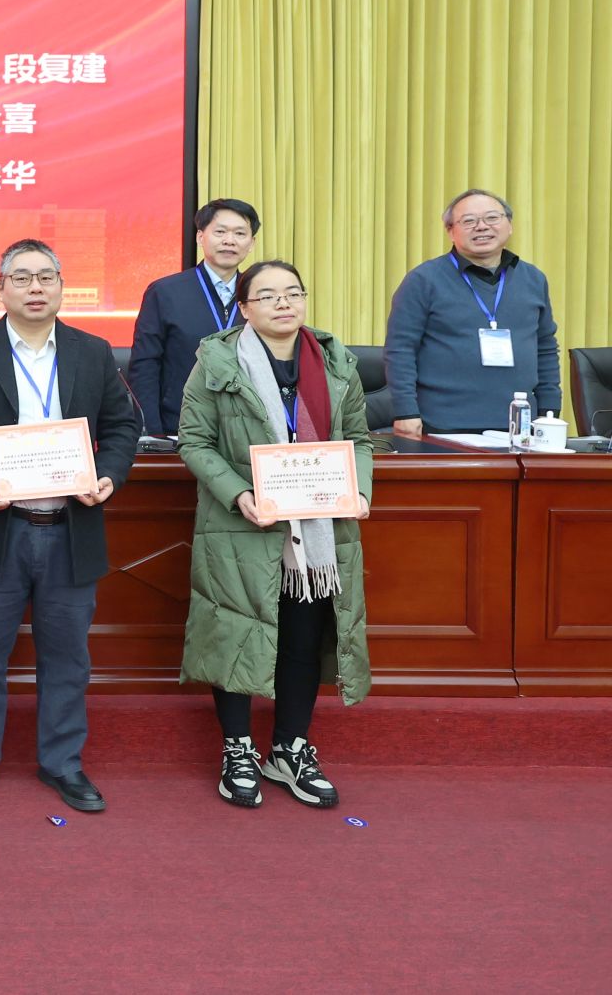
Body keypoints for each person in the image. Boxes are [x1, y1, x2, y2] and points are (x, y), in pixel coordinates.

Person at [0, 240, 137, 813]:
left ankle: (63, 763)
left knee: (68, 659)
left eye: (46, 276)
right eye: (22, 278)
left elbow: (122, 427)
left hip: (71, 526)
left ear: (62, 287)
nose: (36, 287)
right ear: (1, 289)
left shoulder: (93, 351)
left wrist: (110, 476)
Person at [177, 260, 378, 810]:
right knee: (237, 632)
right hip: (241, 525)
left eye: (293, 292)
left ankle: (289, 749)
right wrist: (239, 493)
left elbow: (359, 438)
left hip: (319, 530)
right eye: (267, 296)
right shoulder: (217, 362)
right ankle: (238, 749)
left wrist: (359, 489)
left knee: (302, 639)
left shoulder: (334, 361)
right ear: (244, 308)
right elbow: (194, 441)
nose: (283, 303)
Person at [385, 189, 561, 436]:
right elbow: (400, 350)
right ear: (450, 231)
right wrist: (405, 412)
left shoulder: (533, 279)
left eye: (492, 218)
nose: (482, 227)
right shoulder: (423, 280)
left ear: (509, 225)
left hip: (521, 424)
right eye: (469, 221)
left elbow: (545, 347)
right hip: (443, 424)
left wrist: (549, 410)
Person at [126, 198, 261, 435]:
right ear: (200, 237)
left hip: (247, 429)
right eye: (220, 232)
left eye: (240, 233)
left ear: (251, 243)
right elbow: (145, 365)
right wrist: (151, 431)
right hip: (182, 427)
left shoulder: (260, 294)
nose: (229, 240)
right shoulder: (165, 292)